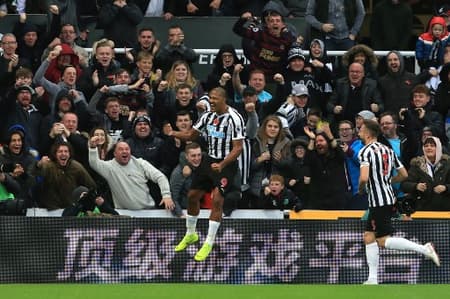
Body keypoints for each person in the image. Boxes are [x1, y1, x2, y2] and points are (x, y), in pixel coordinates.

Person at [357, 119, 440, 285]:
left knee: (382, 240)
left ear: (367, 133)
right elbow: (403, 175)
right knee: (369, 236)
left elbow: (364, 177)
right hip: (387, 197)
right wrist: (387, 181)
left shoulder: (365, 151)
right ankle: (372, 279)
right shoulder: (387, 150)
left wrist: (361, 188)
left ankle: (424, 249)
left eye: (360, 130)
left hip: (378, 201)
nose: (358, 132)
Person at [170, 87, 245, 261]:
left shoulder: (234, 118)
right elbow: (191, 134)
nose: (211, 101)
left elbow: (238, 148)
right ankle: (191, 234)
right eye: (210, 98)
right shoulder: (207, 116)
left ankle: (209, 242)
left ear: (224, 99)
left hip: (227, 163)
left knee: (217, 199)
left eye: (215, 99)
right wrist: (173, 133)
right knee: (192, 196)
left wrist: (223, 163)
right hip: (208, 159)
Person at [88, 138, 175, 211]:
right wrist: (92, 147)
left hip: (148, 211)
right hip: (124, 214)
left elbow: (160, 177)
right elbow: (94, 163)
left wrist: (166, 195)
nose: (124, 151)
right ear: (114, 154)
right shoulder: (109, 167)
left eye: (127, 149)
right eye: (121, 149)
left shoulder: (140, 163)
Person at [31, 141, 96, 210]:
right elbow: (33, 175)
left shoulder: (76, 167)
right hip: (51, 209)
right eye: (60, 151)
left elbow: (91, 185)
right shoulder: (48, 165)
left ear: (69, 154)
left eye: (66, 151)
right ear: (55, 154)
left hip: (70, 209)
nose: (63, 154)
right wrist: (38, 165)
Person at [401, 136, 450, 211]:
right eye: (426, 146)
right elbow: (404, 185)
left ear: (439, 148)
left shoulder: (448, 164)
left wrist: (445, 188)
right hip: (422, 209)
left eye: (432, 145)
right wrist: (416, 186)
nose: (428, 148)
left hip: (445, 209)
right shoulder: (417, 165)